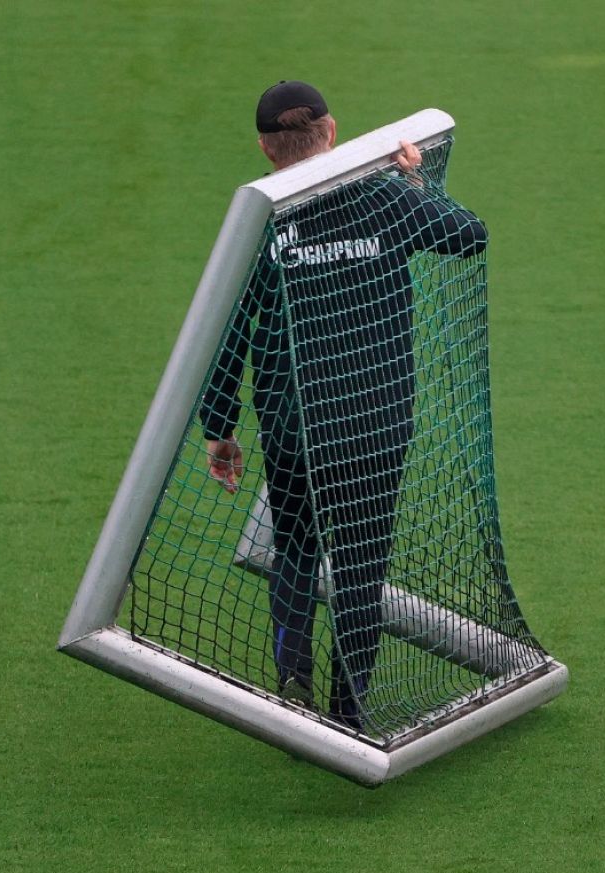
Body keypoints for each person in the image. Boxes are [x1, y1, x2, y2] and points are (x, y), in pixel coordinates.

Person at [199, 81, 488, 732]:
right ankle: (349, 711)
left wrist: (220, 431)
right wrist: (417, 184)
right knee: (360, 567)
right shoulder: (383, 196)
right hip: (376, 428)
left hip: (294, 427)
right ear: (332, 132)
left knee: (295, 545)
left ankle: (292, 670)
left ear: (266, 150)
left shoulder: (259, 221)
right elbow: (470, 235)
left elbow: (228, 331)